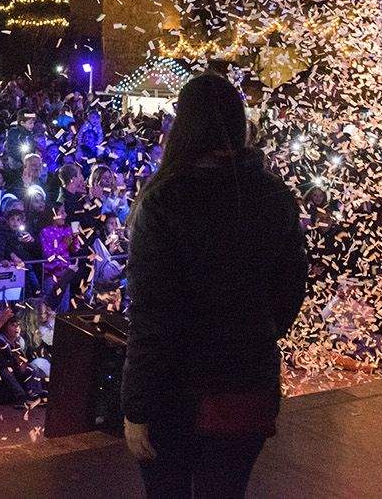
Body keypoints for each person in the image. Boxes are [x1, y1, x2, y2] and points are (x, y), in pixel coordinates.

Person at [122, 73, 308, 499]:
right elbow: (291, 286)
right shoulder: (273, 195)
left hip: (176, 389)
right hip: (247, 382)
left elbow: (152, 315)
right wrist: (253, 331)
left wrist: (136, 405)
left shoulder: (165, 200)